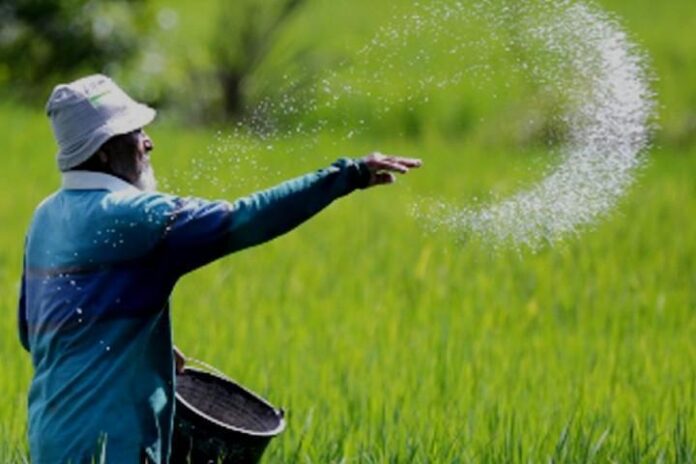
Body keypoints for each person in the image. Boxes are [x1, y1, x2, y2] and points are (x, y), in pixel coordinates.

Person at [18, 74, 421, 463]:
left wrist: (134, 339)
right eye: (135, 134)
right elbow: (244, 219)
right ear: (104, 151)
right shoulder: (137, 217)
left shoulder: (45, 218)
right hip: (114, 444)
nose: (148, 142)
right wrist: (348, 175)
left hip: (50, 438)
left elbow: (33, 330)